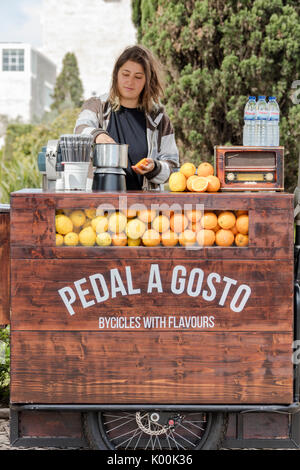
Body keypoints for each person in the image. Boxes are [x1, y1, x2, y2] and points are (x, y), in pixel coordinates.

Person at [74, 44, 179, 190]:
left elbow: (173, 168)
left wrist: (155, 167)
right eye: (125, 74)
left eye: (138, 77)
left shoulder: (159, 118)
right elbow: (80, 129)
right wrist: (98, 135)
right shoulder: (96, 106)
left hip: (144, 209)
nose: (130, 81)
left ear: (147, 81)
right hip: (99, 205)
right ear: (116, 74)